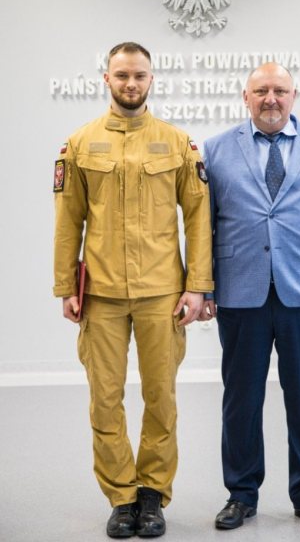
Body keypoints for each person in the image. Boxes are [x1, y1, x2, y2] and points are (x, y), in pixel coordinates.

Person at [53, 42, 213, 538]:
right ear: (106, 78)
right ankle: (121, 496)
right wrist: (66, 286)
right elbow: (68, 221)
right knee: (105, 399)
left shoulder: (178, 143)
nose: (130, 83)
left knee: (160, 398)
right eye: (121, 75)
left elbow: (199, 219)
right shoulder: (80, 144)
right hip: (100, 294)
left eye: (139, 75)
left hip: (161, 293)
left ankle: (152, 494)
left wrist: (198, 286)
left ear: (151, 79)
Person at [201, 62, 300, 533]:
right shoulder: (215, 149)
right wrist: (203, 287)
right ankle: (241, 494)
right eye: (261, 91)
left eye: (279, 90)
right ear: (245, 96)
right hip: (240, 293)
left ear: (294, 95)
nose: (270, 98)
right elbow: (203, 225)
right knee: (241, 400)